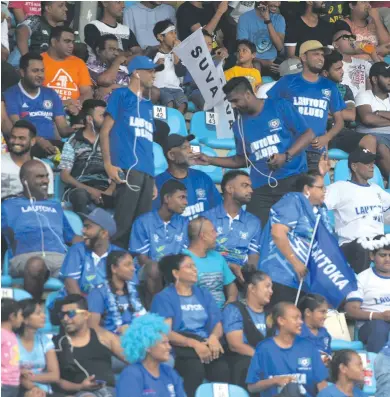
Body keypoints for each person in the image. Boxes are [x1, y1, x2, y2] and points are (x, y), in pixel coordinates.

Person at [194, 76, 315, 226]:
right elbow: (241, 159)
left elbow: (308, 134)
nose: (233, 106)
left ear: (248, 94)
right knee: (254, 231)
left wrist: (286, 156)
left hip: (292, 178)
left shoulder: (279, 106)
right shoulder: (238, 125)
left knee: (293, 230)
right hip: (261, 187)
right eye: (230, 102)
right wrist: (211, 160)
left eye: (235, 100)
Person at [100, 55, 163, 249]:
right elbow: (105, 131)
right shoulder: (121, 96)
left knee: (141, 226)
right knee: (123, 225)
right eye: (150, 70)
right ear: (136, 72)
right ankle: (111, 265)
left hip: (146, 171)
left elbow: (148, 142)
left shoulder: (148, 105)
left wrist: (152, 178)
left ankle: (131, 269)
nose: (154, 75)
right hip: (127, 167)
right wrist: (107, 164)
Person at [151, 254, 230, 397]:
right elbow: (166, 332)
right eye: (189, 266)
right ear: (175, 273)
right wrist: (193, 343)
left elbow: (217, 323)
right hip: (180, 347)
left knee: (222, 370)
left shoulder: (203, 293)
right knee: (194, 370)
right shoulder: (164, 297)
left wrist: (213, 338)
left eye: (195, 265)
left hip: (206, 344)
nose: (195, 269)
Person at [1, 160, 80, 299]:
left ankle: (78, 313)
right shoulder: (9, 205)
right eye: (39, 177)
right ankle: (31, 311)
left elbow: (72, 237)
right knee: (36, 265)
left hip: (60, 258)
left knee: (80, 269)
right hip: (25, 257)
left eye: (46, 176)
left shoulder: (55, 206)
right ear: (24, 180)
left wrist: (93, 238)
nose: (45, 181)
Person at [267, 40, 345, 171]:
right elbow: (269, 108)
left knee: (312, 190)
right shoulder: (288, 80)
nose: (320, 58)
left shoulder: (330, 86)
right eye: (316, 54)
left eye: (322, 55)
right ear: (303, 57)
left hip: (315, 151)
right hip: (290, 148)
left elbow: (340, 121)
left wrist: (326, 137)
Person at [260, 171, 332, 306]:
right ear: (307, 189)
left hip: (304, 279)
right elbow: (278, 232)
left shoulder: (321, 209)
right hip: (281, 275)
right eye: (321, 187)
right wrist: (295, 262)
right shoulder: (293, 200)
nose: (324, 191)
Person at [325, 148, 390, 274]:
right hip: (351, 244)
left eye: (372, 162)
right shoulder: (339, 188)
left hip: (377, 241)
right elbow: (317, 205)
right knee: (363, 245)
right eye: (366, 163)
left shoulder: (376, 190)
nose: (372, 166)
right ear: (354, 166)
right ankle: (361, 287)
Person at [246, 302, 328, 397]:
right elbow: (251, 387)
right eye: (295, 318)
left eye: (300, 318)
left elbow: (322, 384)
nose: (301, 322)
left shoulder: (309, 346)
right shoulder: (264, 349)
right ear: (281, 321)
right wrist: (275, 381)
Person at [3, 52, 74, 158]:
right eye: (35, 71)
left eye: (42, 71)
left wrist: (76, 129)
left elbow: (63, 128)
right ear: (22, 72)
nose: (40, 75)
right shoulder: (10, 94)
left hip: (52, 144)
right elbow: (18, 127)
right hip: (27, 145)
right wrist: (38, 140)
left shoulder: (51, 93)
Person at [53, 294, 125, 396]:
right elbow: (56, 380)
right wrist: (80, 387)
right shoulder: (57, 344)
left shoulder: (104, 337)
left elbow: (133, 359)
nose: (65, 319)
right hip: (80, 393)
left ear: (86, 315)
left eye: (71, 313)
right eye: (62, 315)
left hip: (109, 391)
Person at [130, 179, 188, 298]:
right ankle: (157, 308)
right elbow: (142, 260)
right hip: (148, 271)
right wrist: (166, 271)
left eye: (185, 198)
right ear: (167, 198)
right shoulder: (143, 222)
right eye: (181, 197)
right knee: (154, 268)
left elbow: (185, 256)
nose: (186, 202)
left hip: (175, 271)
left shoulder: (185, 223)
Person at [203, 170, 262, 285]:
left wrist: (248, 278)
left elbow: (253, 258)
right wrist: (228, 266)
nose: (251, 190)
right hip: (210, 276)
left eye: (250, 186)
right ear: (229, 189)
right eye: (245, 186)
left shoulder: (254, 222)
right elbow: (200, 253)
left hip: (240, 278)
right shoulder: (206, 219)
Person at [59, 99, 114, 215]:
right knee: (80, 196)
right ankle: (85, 230)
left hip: (105, 188)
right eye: (102, 116)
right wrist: (90, 190)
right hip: (80, 187)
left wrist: (109, 191)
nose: (106, 120)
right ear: (90, 119)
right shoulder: (73, 141)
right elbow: (64, 176)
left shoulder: (112, 141)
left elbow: (118, 170)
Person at [223, 267, 273, 392]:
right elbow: (235, 345)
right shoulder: (234, 309)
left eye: (271, 288)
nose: (271, 291)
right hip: (241, 361)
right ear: (252, 288)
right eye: (267, 286)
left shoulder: (272, 314)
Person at [322, 49, 378, 156]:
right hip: (317, 132)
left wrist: (325, 110)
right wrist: (337, 112)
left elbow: (351, 115)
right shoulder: (312, 89)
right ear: (325, 73)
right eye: (338, 69)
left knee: (370, 140)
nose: (342, 71)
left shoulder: (344, 89)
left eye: (342, 67)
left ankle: (362, 170)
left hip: (341, 133)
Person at [154, 133, 221, 219]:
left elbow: (218, 210)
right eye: (184, 148)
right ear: (171, 155)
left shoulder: (202, 177)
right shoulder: (157, 184)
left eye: (190, 147)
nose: (190, 151)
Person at [117, 313, 186, 397]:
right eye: (164, 343)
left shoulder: (170, 373)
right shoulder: (131, 375)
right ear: (147, 346)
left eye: (168, 343)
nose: (169, 347)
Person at [58, 207, 120, 297]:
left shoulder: (119, 255)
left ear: (104, 233)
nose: (82, 231)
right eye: (84, 226)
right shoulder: (77, 250)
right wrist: (86, 309)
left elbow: (129, 287)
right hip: (78, 303)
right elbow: (70, 284)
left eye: (88, 227)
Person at [345, 234, 390, 353]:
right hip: (371, 326)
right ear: (372, 255)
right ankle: (378, 370)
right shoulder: (362, 278)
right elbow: (351, 310)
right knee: (379, 327)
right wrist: (379, 316)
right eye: (383, 255)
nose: (387, 260)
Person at [183, 217, 238, 309]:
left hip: (222, 314)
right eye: (213, 231)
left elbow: (231, 285)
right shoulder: (184, 259)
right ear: (203, 236)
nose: (216, 234)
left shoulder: (218, 257)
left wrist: (230, 301)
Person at [88, 251, 147, 335]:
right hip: (112, 343)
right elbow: (92, 328)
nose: (133, 268)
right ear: (114, 268)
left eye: (133, 264)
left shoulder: (136, 290)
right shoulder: (98, 293)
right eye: (127, 265)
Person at [1, 120, 54, 199]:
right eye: (13, 137)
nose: (16, 141)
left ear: (32, 141)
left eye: (21, 138)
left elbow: (47, 200)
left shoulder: (43, 167)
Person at [42, 26, 93, 108]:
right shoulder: (39, 61)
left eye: (72, 42)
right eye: (67, 41)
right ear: (54, 42)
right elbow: (33, 94)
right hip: (46, 109)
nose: (71, 46)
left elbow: (87, 92)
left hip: (75, 111)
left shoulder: (79, 63)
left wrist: (76, 105)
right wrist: (63, 103)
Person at [17, 299, 60, 396]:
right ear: (25, 319)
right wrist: (23, 380)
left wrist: (27, 377)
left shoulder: (45, 340)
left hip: (43, 391)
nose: (44, 316)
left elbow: (54, 375)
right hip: (17, 389)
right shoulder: (11, 340)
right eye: (38, 313)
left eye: (43, 312)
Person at [355, 62, 390, 179]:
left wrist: (379, 113)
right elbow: (368, 119)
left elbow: (373, 117)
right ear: (374, 79)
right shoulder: (364, 95)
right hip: (374, 135)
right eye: (386, 77)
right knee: (380, 146)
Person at [149, 19, 187, 114]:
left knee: (183, 104)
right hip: (160, 88)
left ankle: (177, 124)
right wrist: (155, 65)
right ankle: (169, 124)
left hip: (176, 89)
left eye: (175, 32)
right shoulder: (152, 52)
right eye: (171, 33)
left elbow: (181, 72)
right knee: (169, 102)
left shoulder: (179, 54)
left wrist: (176, 53)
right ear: (161, 37)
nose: (175, 36)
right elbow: (144, 71)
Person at [237, 2, 285, 73]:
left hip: (273, 62)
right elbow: (243, 49)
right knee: (256, 66)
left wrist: (268, 21)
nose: (278, 4)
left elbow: (280, 47)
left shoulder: (279, 18)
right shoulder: (244, 18)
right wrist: (264, 62)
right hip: (252, 60)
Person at [331, 21, 374, 98]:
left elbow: (383, 75)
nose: (351, 40)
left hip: (363, 105)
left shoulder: (364, 63)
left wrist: (373, 53)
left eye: (352, 37)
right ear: (335, 44)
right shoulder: (332, 64)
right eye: (346, 37)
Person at [87, 34, 130, 102]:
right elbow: (106, 81)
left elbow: (131, 90)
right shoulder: (90, 68)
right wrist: (117, 62)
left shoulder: (122, 71)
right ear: (98, 50)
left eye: (117, 50)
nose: (116, 53)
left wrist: (111, 87)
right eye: (112, 49)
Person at [298, 294, 332, 361]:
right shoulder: (296, 334)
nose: (325, 317)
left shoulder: (325, 334)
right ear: (308, 312)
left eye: (326, 312)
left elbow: (328, 356)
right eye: (322, 312)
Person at [1, 299, 23, 397]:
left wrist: (20, 370)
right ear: (12, 316)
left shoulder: (12, 334)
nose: (22, 319)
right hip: (3, 384)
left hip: (13, 384)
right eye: (20, 315)